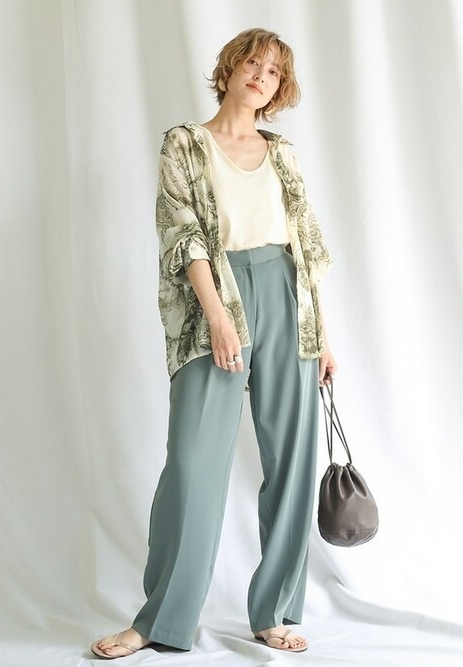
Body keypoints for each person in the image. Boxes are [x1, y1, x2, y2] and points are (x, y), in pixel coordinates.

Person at [91, 27, 337, 659]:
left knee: (292, 463)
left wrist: (323, 334)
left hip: (287, 300)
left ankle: (274, 612)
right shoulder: (185, 144)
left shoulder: (283, 154)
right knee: (192, 465)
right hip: (216, 305)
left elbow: (306, 246)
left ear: (280, 88)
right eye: (252, 62)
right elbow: (183, 234)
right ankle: (160, 620)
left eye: (274, 72)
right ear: (229, 68)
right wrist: (220, 317)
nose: (261, 76)